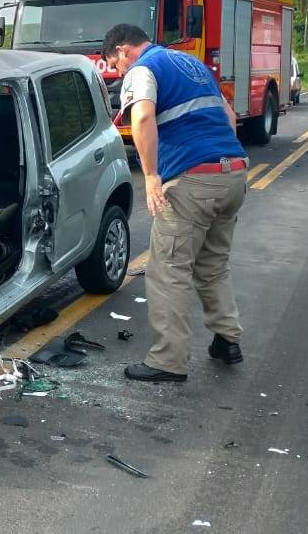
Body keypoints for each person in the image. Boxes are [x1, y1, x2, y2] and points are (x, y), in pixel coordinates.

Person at [102, 23, 249, 382]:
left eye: (115, 65)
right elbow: (229, 118)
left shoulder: (142, 68)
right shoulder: (192, 64)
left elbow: (143, 116)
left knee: (169, 268)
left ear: (123, 50)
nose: (120, 73)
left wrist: (151, 175)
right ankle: (228, 340)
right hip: (233, 170)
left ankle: (168, 361)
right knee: (213, 263)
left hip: (192, 179)